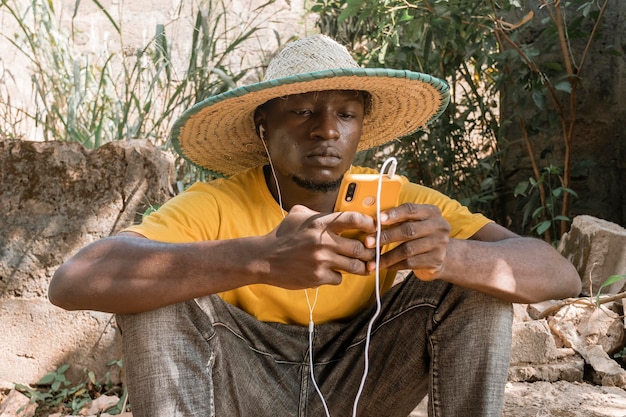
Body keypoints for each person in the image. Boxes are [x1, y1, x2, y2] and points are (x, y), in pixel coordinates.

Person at [49, 34, 581, 417]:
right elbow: (73, 281)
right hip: (242, 386)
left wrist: (450, 257)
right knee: (155, 297)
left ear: (361, 127)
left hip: (365, 379)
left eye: (345, 114)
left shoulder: (397, 200)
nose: (327, 130)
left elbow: (559, 274)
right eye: (302, 112)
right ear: (265, 126)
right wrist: (260, 258)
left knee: (478, 285)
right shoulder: (216, 202)